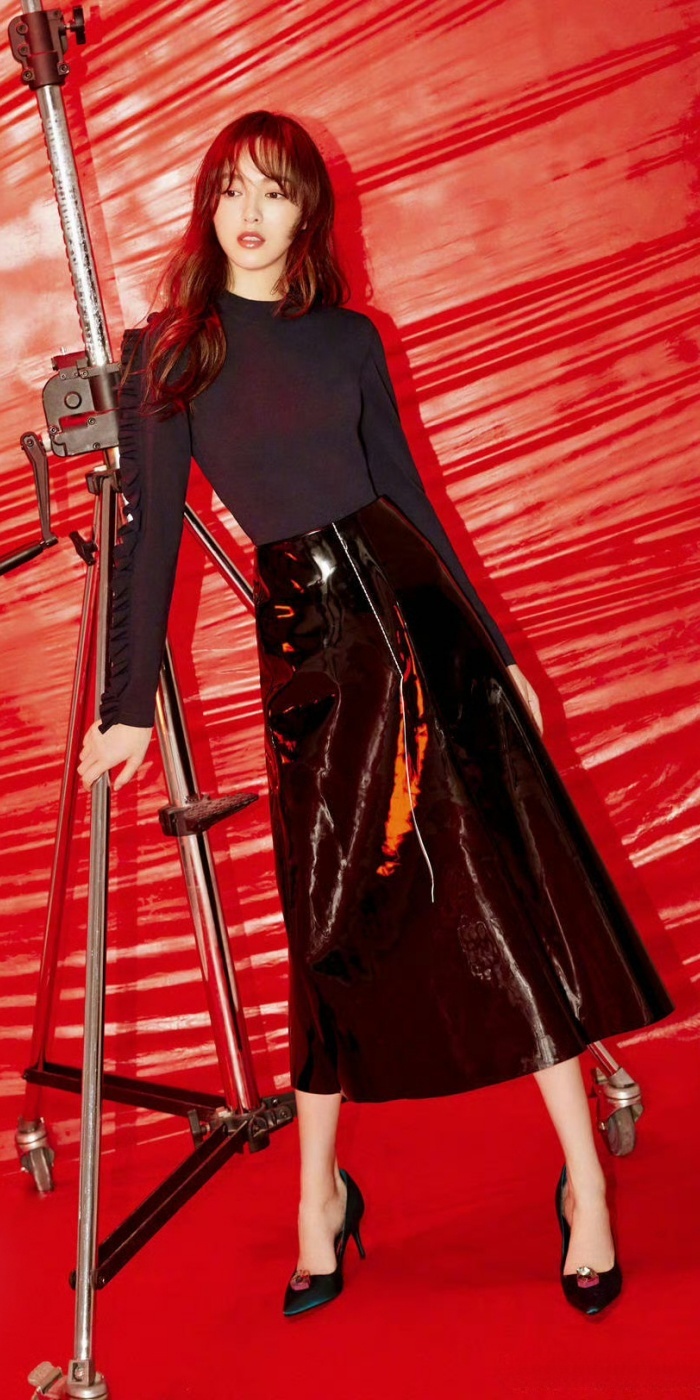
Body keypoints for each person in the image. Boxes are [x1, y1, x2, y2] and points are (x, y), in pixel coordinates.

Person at [78, 110, 672, 1319]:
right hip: (313, 658)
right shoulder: (170, 354)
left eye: (275, 192)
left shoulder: (350, 338)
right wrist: (126, 705)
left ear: (309, 211)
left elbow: (411, 500)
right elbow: (146, 543)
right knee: (329, 929)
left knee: (501, 893)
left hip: (424, 636)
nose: (251, 213)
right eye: (232, 190)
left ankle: (583, 1180)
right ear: (208, 206)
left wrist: (497, 652)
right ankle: (320, 1197)